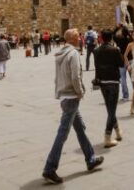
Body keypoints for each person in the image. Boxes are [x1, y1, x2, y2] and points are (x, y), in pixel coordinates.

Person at [41, 28, 103, 184]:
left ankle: (90, 159)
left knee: (80, 128)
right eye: (78, 36)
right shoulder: (73, 54)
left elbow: (59, 76)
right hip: (72, 97)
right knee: (63, 133)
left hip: (64, 96)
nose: (80, 37)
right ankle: (49, 168)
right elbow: (75, 76)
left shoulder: (61, 53)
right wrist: (80, 92)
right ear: (74, 39)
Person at [93, 29, 122, 148]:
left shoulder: (96, 51)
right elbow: (121, 64)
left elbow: (96, 67)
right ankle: (107, 137)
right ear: (111, 38)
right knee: (112, 110)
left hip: (103, 83)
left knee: (110, 109)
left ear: (101, 38)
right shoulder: (115, 50)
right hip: (113, 82)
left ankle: (118, 132)